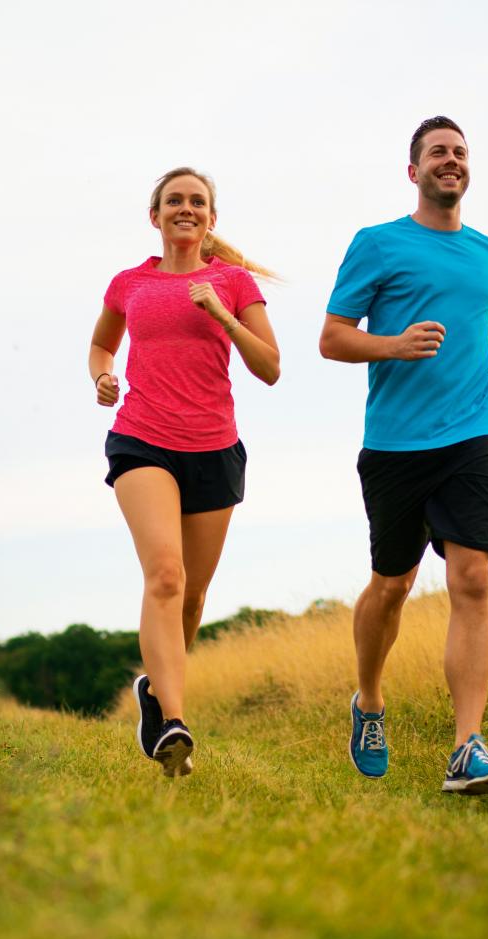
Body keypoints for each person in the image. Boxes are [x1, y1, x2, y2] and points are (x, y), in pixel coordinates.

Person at [320, 116, 488, 795]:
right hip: (395, 443)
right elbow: (332, 338)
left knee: (472, 579)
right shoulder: (378, 244)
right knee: (393, 585)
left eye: (460, 152)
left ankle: (467, 747)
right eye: (437, 152)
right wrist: (395, 344)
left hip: (473, 433)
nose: (451, 160)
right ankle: (370, 701)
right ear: (413, 171)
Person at [89, 167, 281, 777]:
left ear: (211, 219)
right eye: (175, 200)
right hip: (142, 440)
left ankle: (153, 694)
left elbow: (271, 367)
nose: (186, 209)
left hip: (213, 448)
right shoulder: (129, 283)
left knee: (193, 597)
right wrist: (102, 377)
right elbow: (101, 345)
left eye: (197, 201)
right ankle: (174, 721)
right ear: (156, 216)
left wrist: (224, 316)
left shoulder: (232, 281)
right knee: (165, 577)